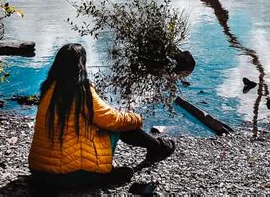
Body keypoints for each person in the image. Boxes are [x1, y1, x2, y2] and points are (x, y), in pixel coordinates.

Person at [28, 43, 175, 189]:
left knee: (96, 126)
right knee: (120, 125)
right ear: (81, 65)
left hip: (39, 172)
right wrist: (137, 119)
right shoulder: (80, 90)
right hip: (70, 176)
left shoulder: (48, 88)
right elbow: (112, 119)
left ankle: (114, 170)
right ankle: (155, 149)